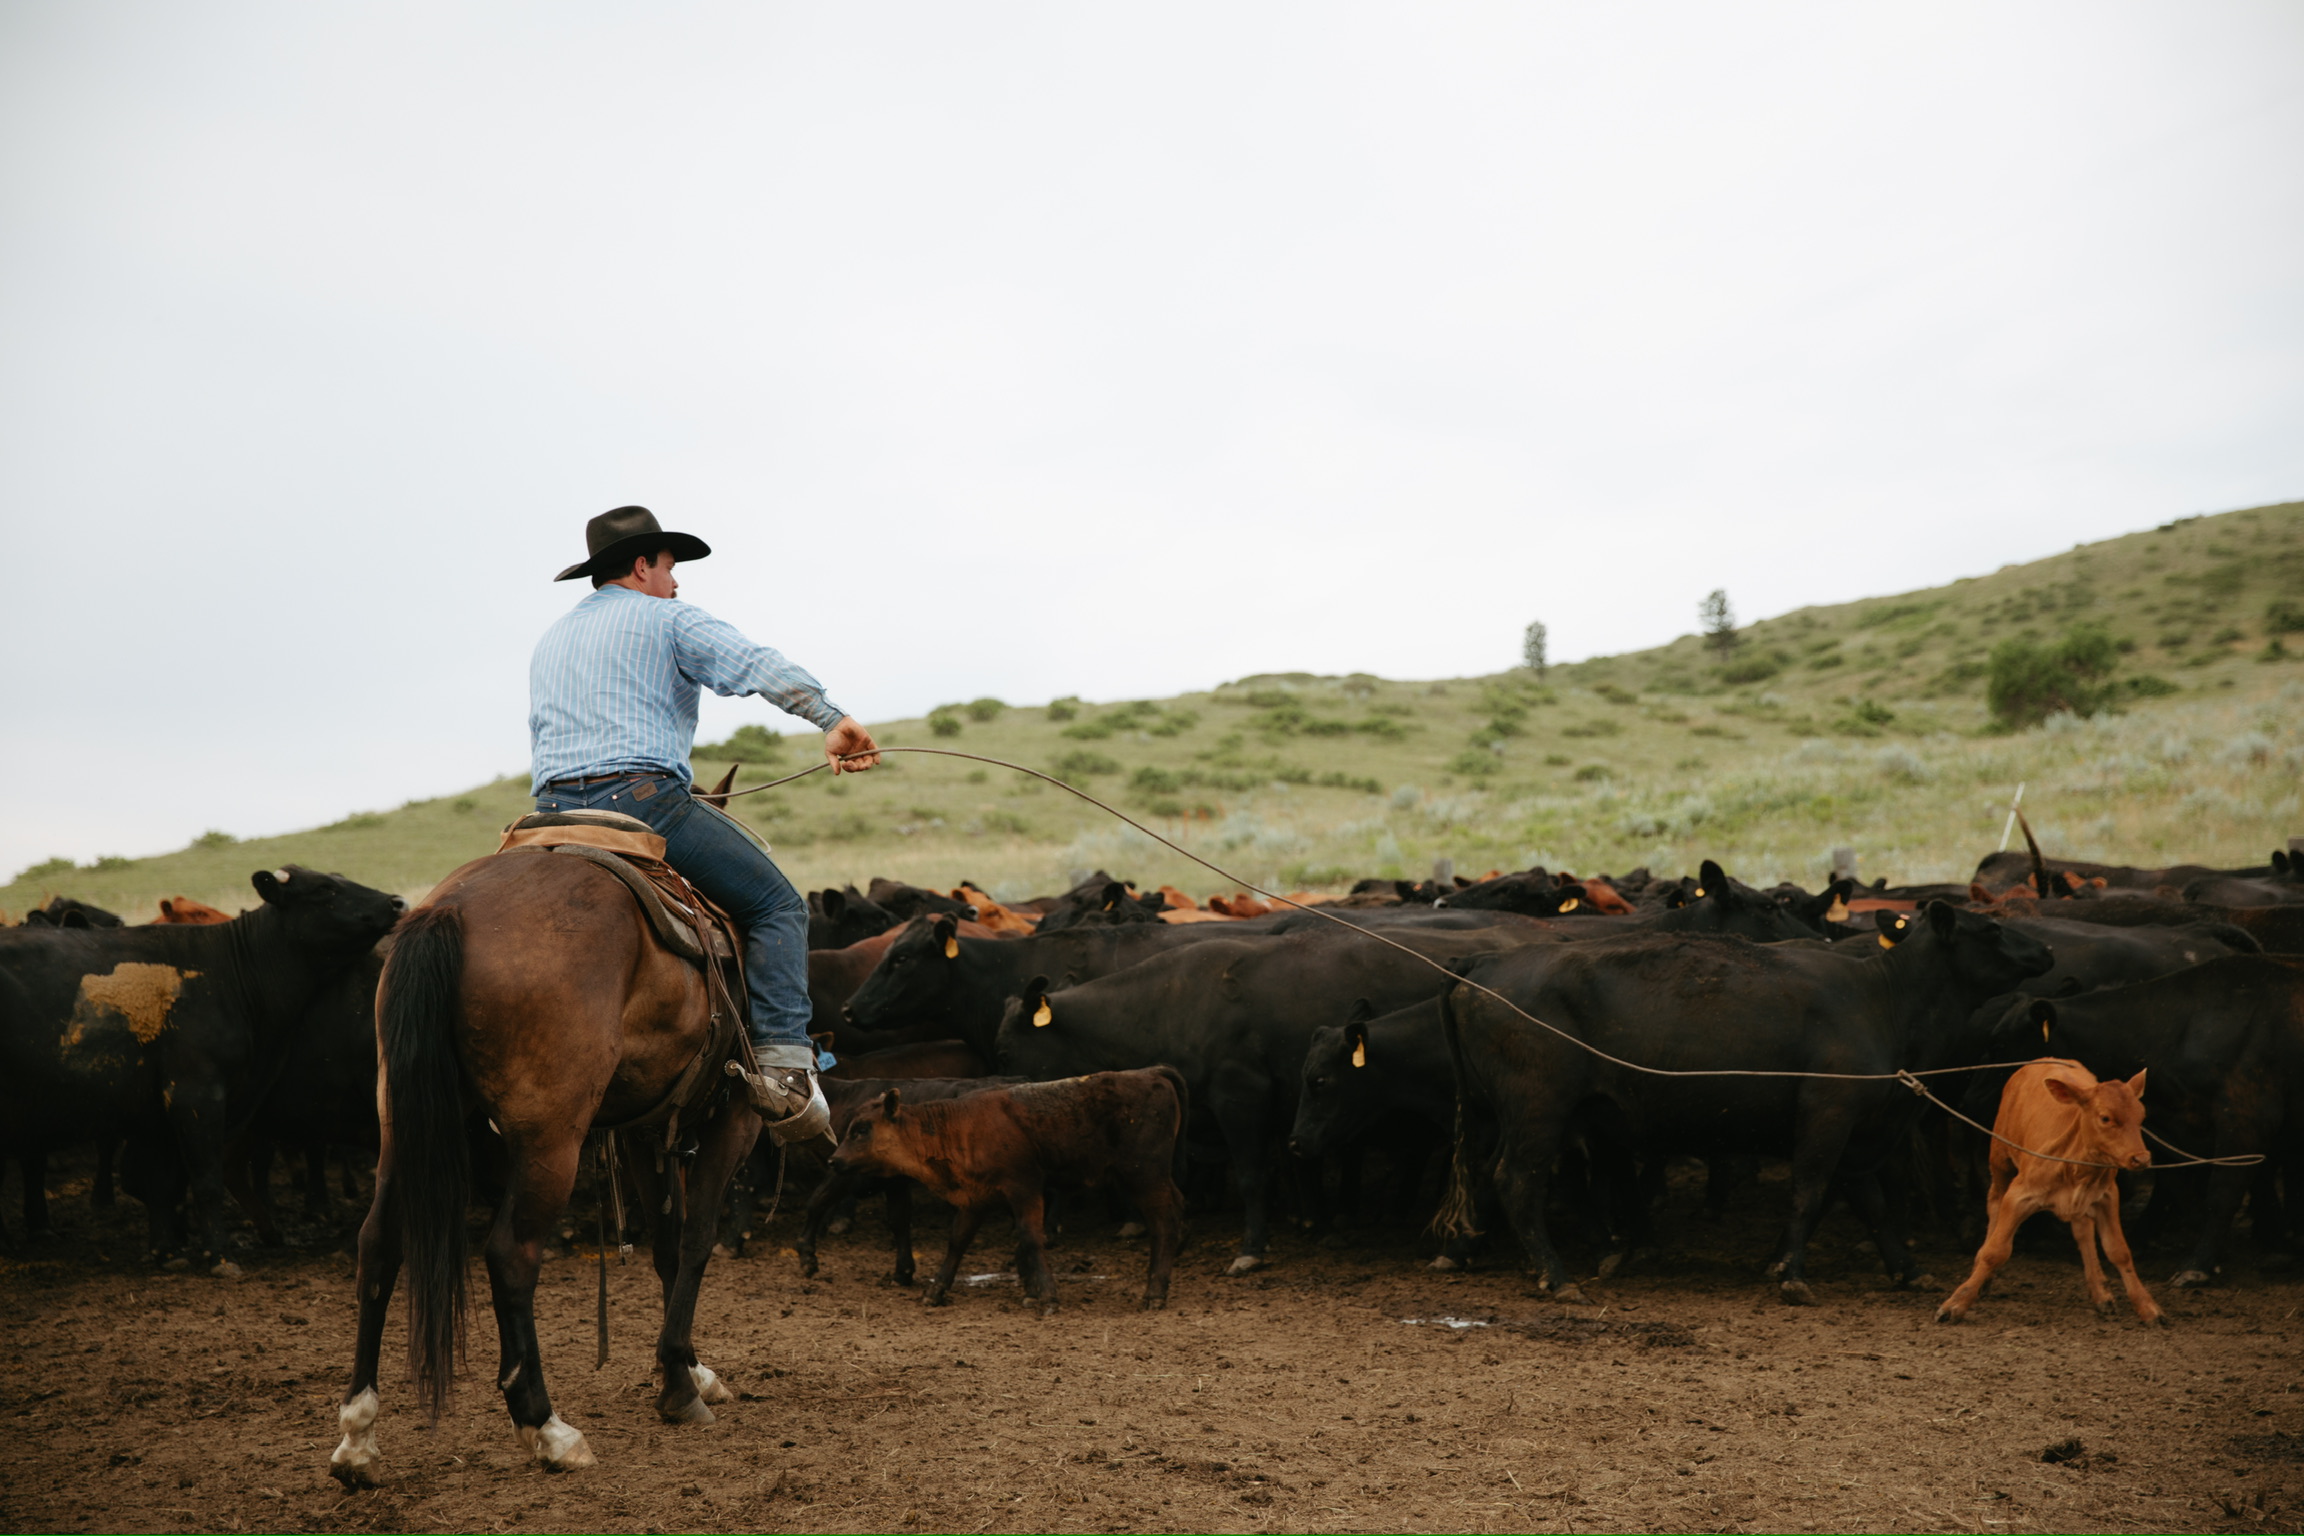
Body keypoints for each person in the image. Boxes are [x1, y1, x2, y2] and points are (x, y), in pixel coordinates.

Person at [528, 505, 879, 1143]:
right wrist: (832, 719)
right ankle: (783, 1069)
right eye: (669, 567)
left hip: (547, 816)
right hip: (640, 802)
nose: (676, 582)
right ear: (642, 566)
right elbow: (753, 663)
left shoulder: (552, 638)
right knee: (777, 906)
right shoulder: (668, 618)